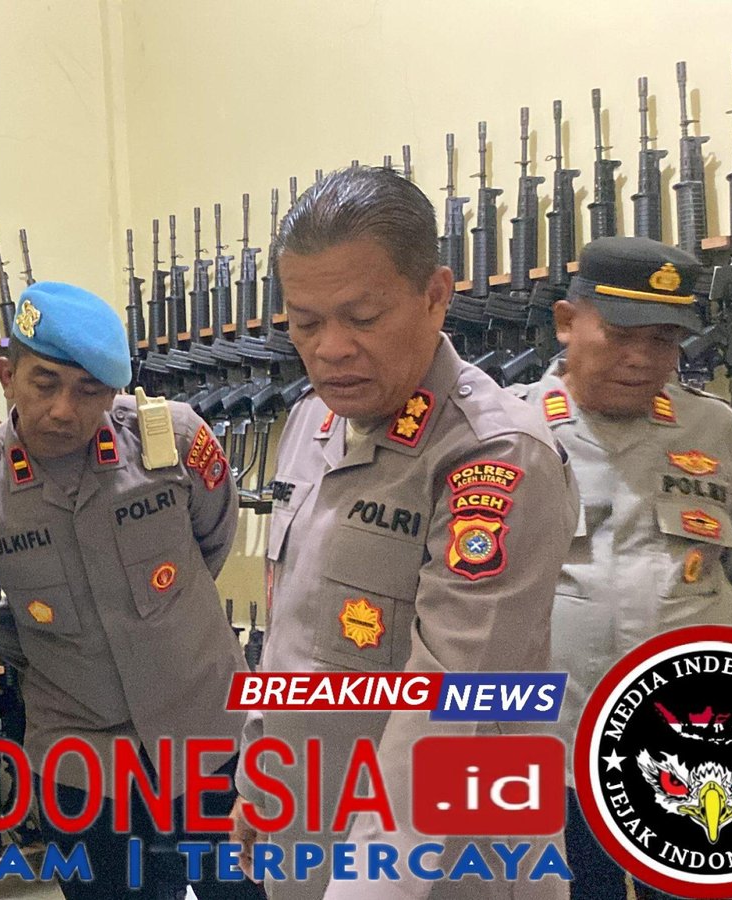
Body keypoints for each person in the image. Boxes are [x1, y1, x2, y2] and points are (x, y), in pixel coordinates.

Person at [230, 166, 578, 899]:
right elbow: (292, 630)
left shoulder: (493, 456)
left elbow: (451, 706)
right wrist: (259, 777)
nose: (331, 348)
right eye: (305, 323)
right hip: (311, 832)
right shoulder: (313, 421)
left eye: (362, 317)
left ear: (435, 295)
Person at [0, 280, 263, 900]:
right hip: (84, 764)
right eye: (45, 383)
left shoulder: (174, 442)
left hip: (210, 736)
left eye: (89, 390)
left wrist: (162, 626)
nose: (65, 409)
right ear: (7, 376)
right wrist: (61, 654)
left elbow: (213, 540)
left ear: (113, 392)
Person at [509, 236, 732, 900]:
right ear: (567, 322)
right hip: (545, 749)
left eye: (664, 339)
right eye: (622, 335)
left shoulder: (716, 431)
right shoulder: (505, 431)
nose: (643, 358)